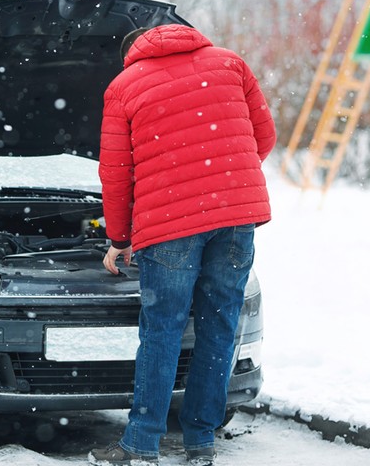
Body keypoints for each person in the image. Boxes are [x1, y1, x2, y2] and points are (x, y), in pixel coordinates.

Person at [88, 24, 276, 466]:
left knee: (163, 330)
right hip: (236, 218)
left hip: (169, 224)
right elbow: (262, 138)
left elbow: (116, 175)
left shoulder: (124, 86)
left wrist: (119, 239)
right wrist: (222, 186)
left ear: (131, 53)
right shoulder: (230, 63)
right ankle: (200, 443)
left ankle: (141, 444)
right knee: (219, 326)